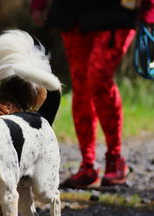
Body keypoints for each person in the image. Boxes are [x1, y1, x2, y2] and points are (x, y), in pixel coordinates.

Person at [30, 0, 154, 189]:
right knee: (81, 87)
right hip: (74, 14)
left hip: (117, 13)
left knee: (98, 79)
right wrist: (39, 4)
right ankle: (88, 165)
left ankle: (115, 158)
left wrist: (149, 9)